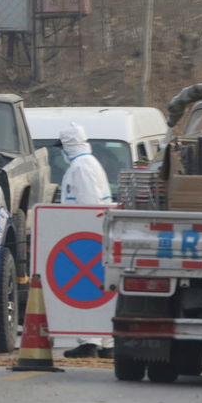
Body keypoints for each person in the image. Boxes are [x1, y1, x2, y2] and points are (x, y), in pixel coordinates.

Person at [58, 122, 115, 359]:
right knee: (97, 287)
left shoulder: (81, 167)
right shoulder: (87, 164)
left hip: (85, 237)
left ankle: (90, 341)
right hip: (90, 237)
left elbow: (90, 205)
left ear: (67, 146)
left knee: (87, 288)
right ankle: (106, 342)